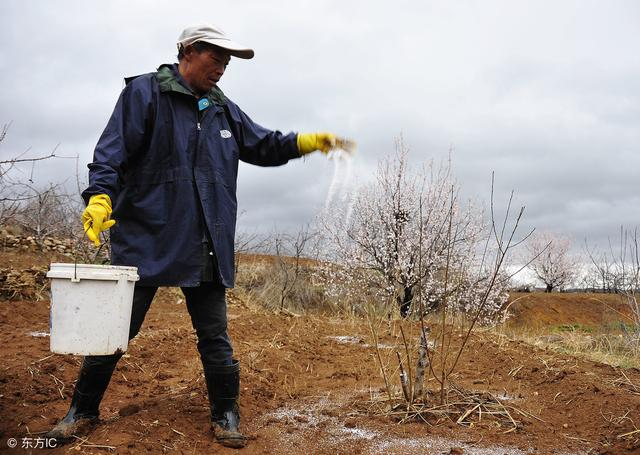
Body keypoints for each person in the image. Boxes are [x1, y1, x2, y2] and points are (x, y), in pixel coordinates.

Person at [46, 23, 349, 449]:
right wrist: (99, 198)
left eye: (228, 61)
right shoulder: (146, 93)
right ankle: (81, 412)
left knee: (214, 335)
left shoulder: (223, 108)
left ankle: (226, 415)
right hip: (148, 236)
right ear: (188, 51)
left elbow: (262, 145)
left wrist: (304, 142)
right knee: (114, 330)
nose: (223, 67)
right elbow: (110, 154)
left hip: (206, 238)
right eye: (217, 57)